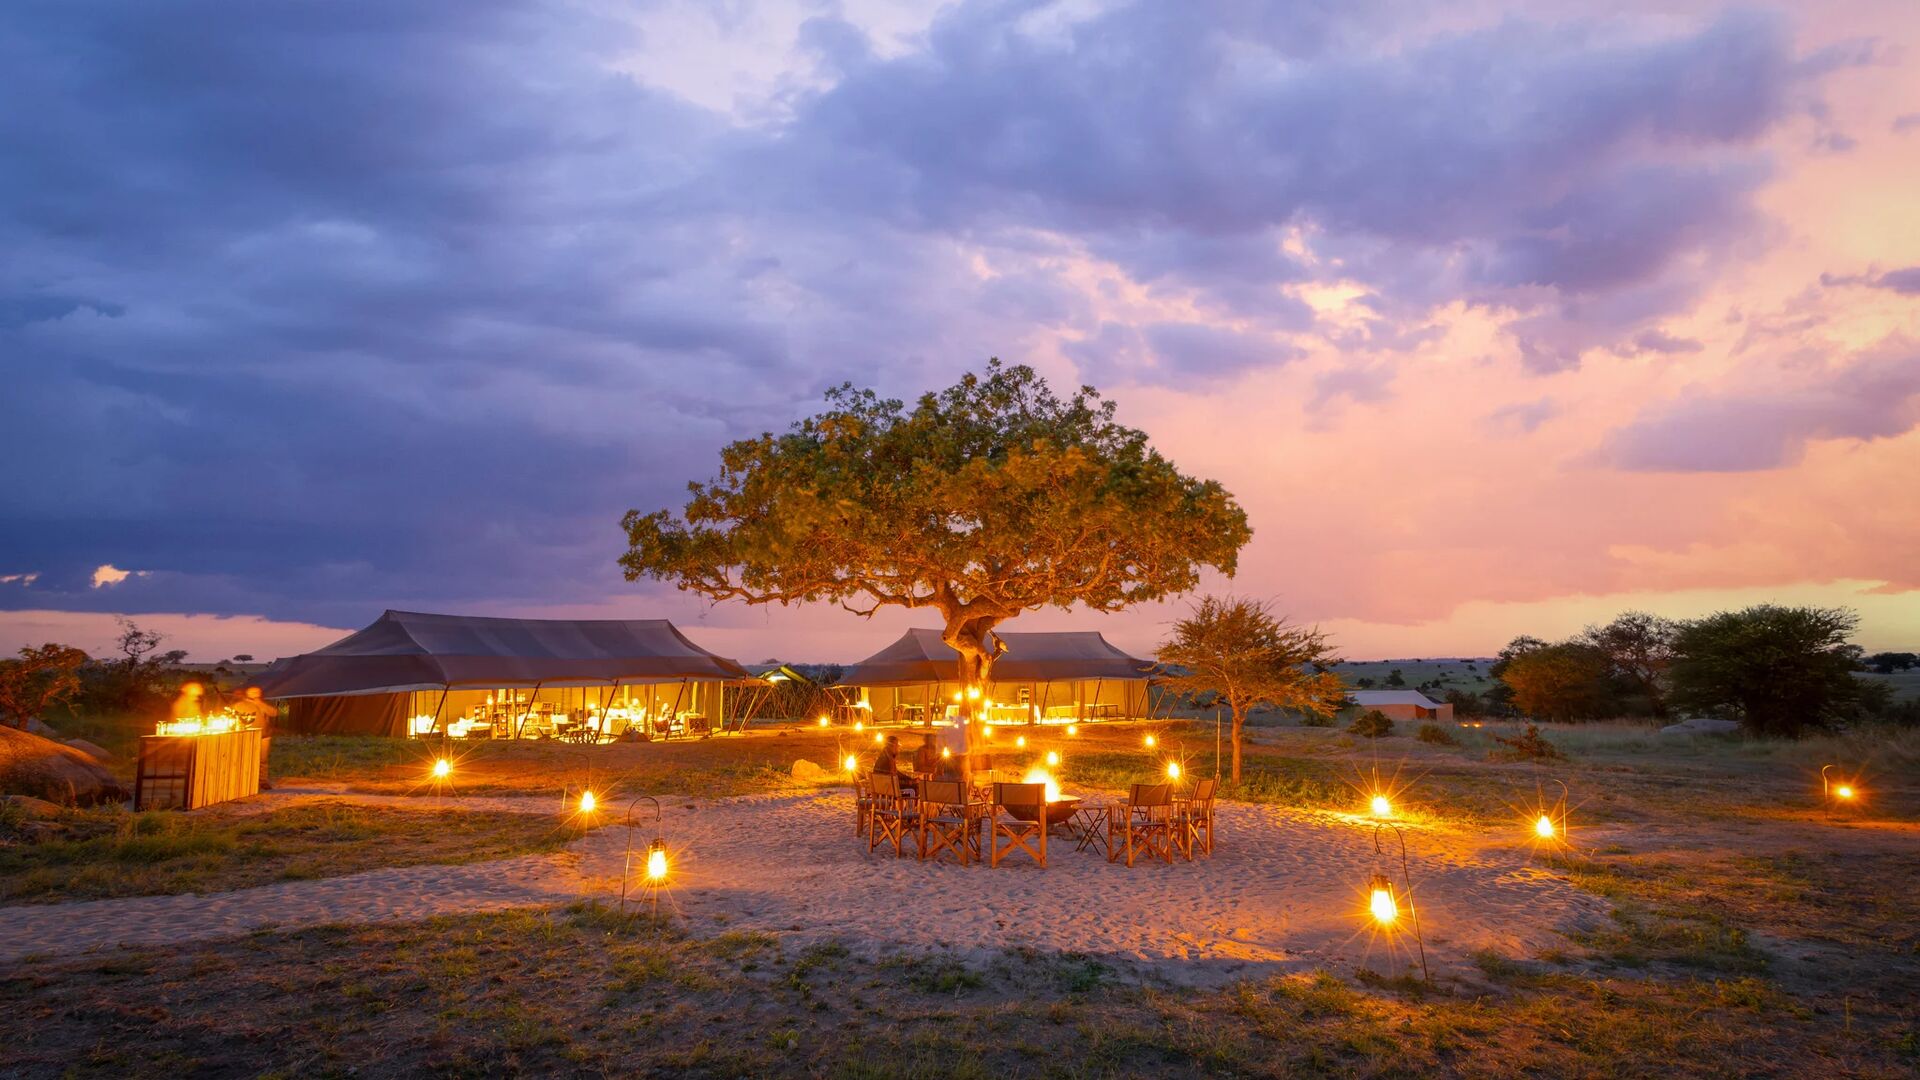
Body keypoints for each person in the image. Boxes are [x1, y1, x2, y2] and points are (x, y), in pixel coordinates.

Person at [231, 686, 279, 789]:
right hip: (247, 736)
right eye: (252, 692)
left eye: (257, 692)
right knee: (246, 759)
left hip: (264, 736)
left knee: (263, 760)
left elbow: (274, 713)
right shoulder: (240, 705)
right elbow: (234, 717)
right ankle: (245, 781)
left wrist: (260, 704)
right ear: (247, 693)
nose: (255, 693)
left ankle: (263, 781)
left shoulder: (263, 704)